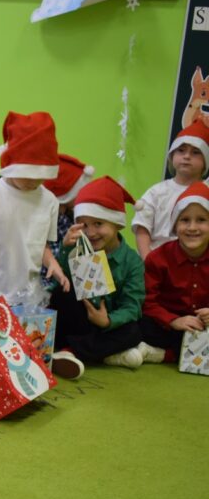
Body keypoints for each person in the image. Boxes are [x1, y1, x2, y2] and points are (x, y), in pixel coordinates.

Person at [0, 111, 70, 306]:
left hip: (24, 298)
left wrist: (52, 263)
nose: (33, 182)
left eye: (40, 177)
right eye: (27, 174)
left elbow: (41, 245)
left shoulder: (50, 201)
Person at [46, 177, 146, 378]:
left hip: (108, 327)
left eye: (98, 224)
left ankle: (69, 352)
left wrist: (108, 321)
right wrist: (65, 249)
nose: (90, 232)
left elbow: (132, 306)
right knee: (61, 294)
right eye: (84, 225)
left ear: (117, 225)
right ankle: (105, 354)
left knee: (134, 331)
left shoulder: (132, 261)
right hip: (78, 321)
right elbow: (58, 284)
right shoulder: (77, 248)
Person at [138, 181, 209, 361]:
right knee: (137, 325)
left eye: (201, 220)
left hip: (204, 326)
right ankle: (177, 353)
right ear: (175, 225)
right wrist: (172, 320)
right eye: (185, 220)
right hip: (167, 326)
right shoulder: (157, 258)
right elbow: (148, 302)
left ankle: (164, 355)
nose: (192, 228)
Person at [132, 118, 209, 259]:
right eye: (181, 151)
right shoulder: (156, 192)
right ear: (172, 156)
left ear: (206, 161)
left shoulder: (207, 192)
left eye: (195, 152)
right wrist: (149, 261)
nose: (187, 156)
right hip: (157, 261)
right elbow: (142, 228)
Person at [43, 153, 95, 261]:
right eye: (80, 191)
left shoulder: (68, 213)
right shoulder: (51, 220)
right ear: (66, 196)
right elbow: (48, 257)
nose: (85, 196)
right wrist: (65, 246)